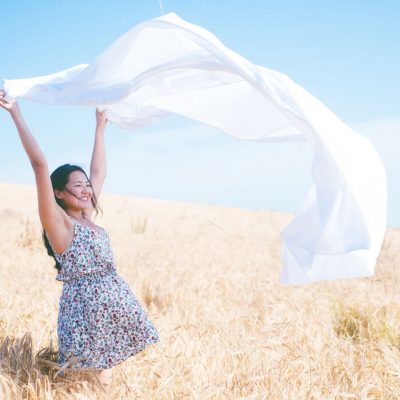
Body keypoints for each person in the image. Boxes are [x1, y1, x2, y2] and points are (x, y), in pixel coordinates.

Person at [0, 90, 160, 393]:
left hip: (112, 305)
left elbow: (98, 171)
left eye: (87, 185)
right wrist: (15, 113)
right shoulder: (59, 223)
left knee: (104, 380)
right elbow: (39, 165)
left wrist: (100, 126)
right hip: (86, 309)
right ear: (59, 193)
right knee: (86, 381)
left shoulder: (87, 213)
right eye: (78, 186)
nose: (87, 190)